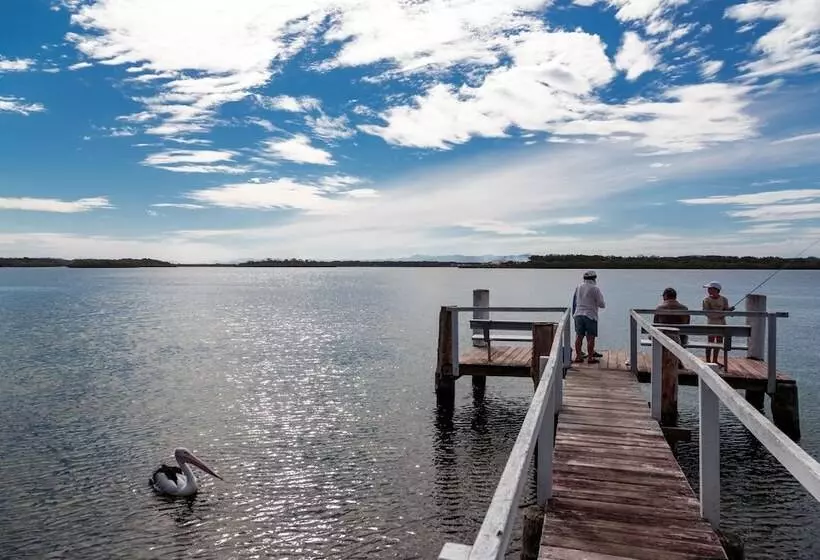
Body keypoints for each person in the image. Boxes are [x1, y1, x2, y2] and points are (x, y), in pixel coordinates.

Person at [572, 270, 606, 364]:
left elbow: (575, 301)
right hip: (590, 315)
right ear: (594, 278)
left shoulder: (578, 287)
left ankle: (578, 357)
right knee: (591, 338)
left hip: (578, 314)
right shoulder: (595, 289)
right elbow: (601, 304)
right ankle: (590, 357)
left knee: (579, 337)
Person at [702, 281, 734, 365]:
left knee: (719, 342)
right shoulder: (706, 300)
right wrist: (720, 315)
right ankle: (708, 360)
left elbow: (726, 309)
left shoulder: (724, 299)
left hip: (722, 323)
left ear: (716, 290)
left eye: (710, 288)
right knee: (710, 342)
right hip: (711, 323)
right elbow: (706, 312)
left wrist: (729, 310)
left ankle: (715, 360)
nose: (708, 290)